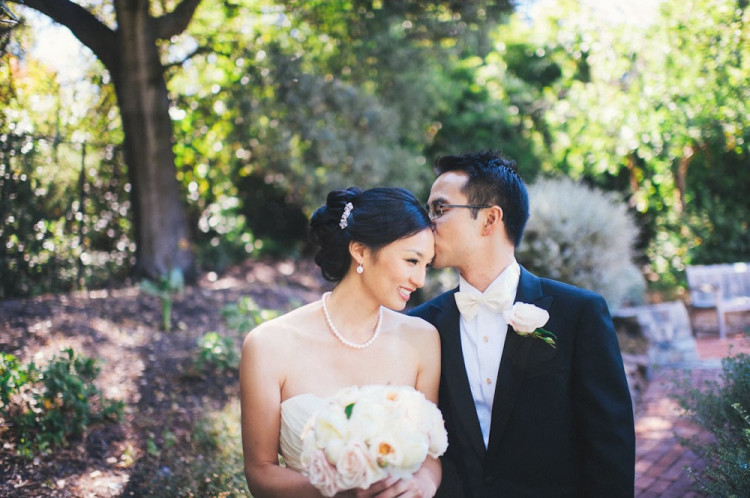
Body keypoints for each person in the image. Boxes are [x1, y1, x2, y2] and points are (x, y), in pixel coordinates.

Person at [409, 151, 636, 497]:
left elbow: (610, 444)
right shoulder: (420, 326)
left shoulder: (579, 314)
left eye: (439, 209)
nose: (427, 224)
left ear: (489, 220)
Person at [240, 186, 443, 497]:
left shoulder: (423, 340)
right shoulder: (269, 345)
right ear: (360, 251)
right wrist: (338, 490)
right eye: (412, 261)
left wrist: (423, 482)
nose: (420, 281)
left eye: (427, 265)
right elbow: (260, 473)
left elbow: (430, 454)